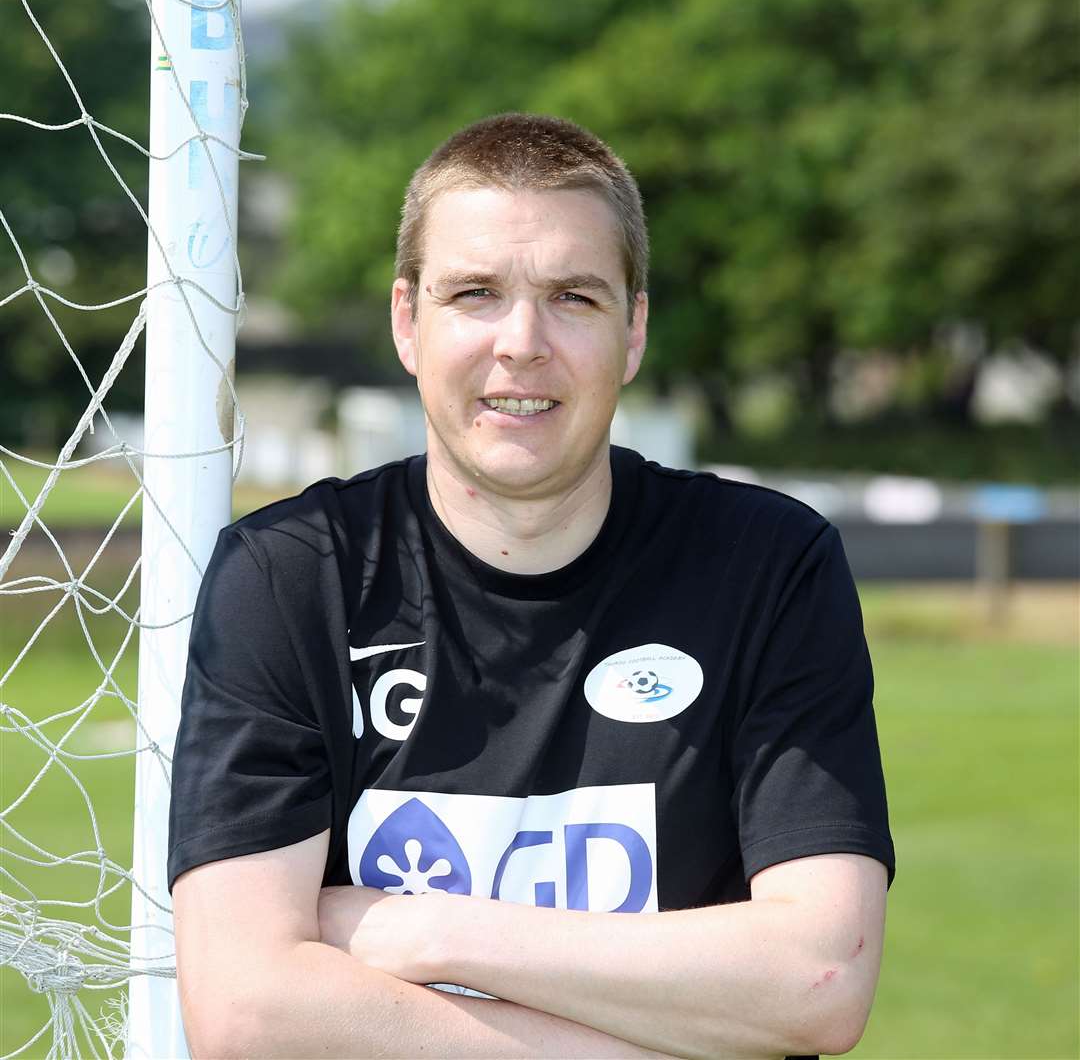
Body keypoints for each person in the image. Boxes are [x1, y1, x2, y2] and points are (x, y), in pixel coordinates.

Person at [168, 113, 894, 1059]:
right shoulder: (292, 574)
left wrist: (427, 931)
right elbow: (246, 1012)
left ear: (633, 330)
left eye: (574, 297)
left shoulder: (767, 565)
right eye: (474, 293)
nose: (522, 342)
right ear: (407, 322)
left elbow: (821, 977)